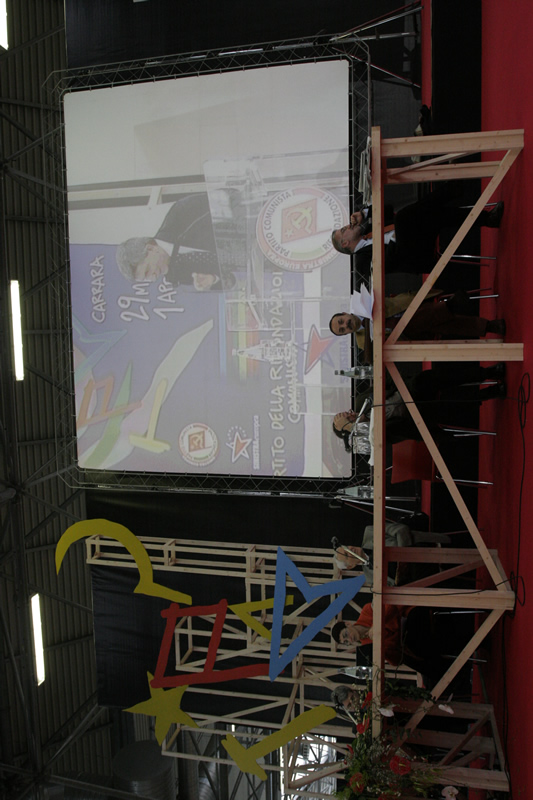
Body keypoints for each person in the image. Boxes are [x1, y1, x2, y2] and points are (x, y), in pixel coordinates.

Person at [331, 191, 504, 288]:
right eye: (344, 230)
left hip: (417, 234)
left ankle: (487, 219)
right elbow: (388, 263)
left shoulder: (368, 229)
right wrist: (397, 236)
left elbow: (388, 209)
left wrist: (364, 213)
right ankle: (453, 188)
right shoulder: (361, 262)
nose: (349, 225)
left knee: (432, 215)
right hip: (415, 256)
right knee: (406, 217)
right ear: (345, 243)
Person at [332, 363, 506, 447]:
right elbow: (394, 431)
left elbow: (384, 380)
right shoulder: (369, 437)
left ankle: (488, 372)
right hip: (413, 418)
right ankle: (491, 392)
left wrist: (402, 381)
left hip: (409, 391)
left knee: (429, 379)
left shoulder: (361, 401)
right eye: (349, 418)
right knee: (441, 409)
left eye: (348, 412)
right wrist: (358, 425)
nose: (352, 413)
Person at [115, 193, 236, 291]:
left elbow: (229, 199)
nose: (153, 278)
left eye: (147, 271)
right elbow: (232, 281)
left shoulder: (180, 214)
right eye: (146, 280)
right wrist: (213, 279)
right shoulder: (176, 276)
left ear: (150, 248)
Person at [329, 292, 506, 345]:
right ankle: (450, 307)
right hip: (409, 335)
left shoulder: (361, 301)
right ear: (346, 334)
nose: (346, 325)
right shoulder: (363, 343)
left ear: (345, 313)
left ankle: (490, 326)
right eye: (343, 330)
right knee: (416, 324)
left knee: (429, 322)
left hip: (410, 306)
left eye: (341, 321)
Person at [331, 605, 449, 679]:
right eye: (346, 642)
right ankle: (448, 674)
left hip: (405, 619)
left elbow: (390, 607)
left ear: (348, 624)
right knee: (414, 659)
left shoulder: (366, 612)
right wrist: (383, 654)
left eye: (346, 635)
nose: (350, 639)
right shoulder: (366, 646)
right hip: (404, 642)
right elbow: (396, 660)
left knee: (416, 644)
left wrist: (376, 625)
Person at [334, 522, 451, 586]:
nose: (350, 549)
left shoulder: (370, 533)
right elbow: (396, 587)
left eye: (347, 547)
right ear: (350, 566)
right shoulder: (370, 577)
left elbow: (401, 530)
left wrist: (404, 556)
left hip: (430, 549)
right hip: (431, 577)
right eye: (347, 554)